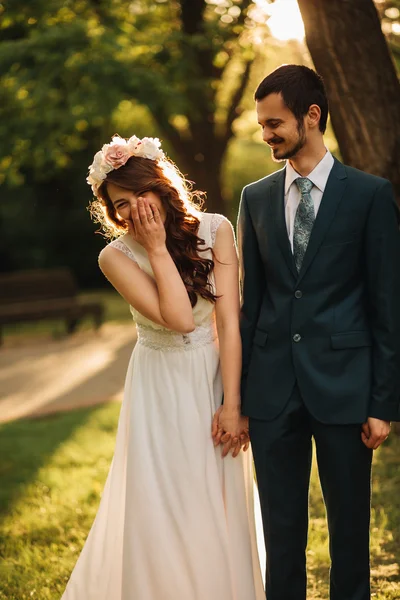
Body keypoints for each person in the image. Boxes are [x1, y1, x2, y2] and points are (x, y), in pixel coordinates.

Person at [216, 64, 400, 600]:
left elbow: (386, 305)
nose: (266, 134)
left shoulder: (369, 195)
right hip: (272, 393)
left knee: (349, 534)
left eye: (274, 123)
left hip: (346, 390)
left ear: (311, 115)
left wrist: (382, 402)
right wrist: (240, 396)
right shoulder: (255, 198)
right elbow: (252, 305)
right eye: (262, 125)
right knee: (281, 533)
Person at [60, 134, 264, 599]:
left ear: (160, 184)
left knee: (218, 497)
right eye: (119, 205)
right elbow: (176, 319)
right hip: (160, 386)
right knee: (166, 500)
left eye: (137, 195)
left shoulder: (216, 230)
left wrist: (234, 404)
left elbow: (230, 325)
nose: (131, 211)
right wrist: (154, 247)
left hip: (215, 376)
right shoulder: (115, 256)